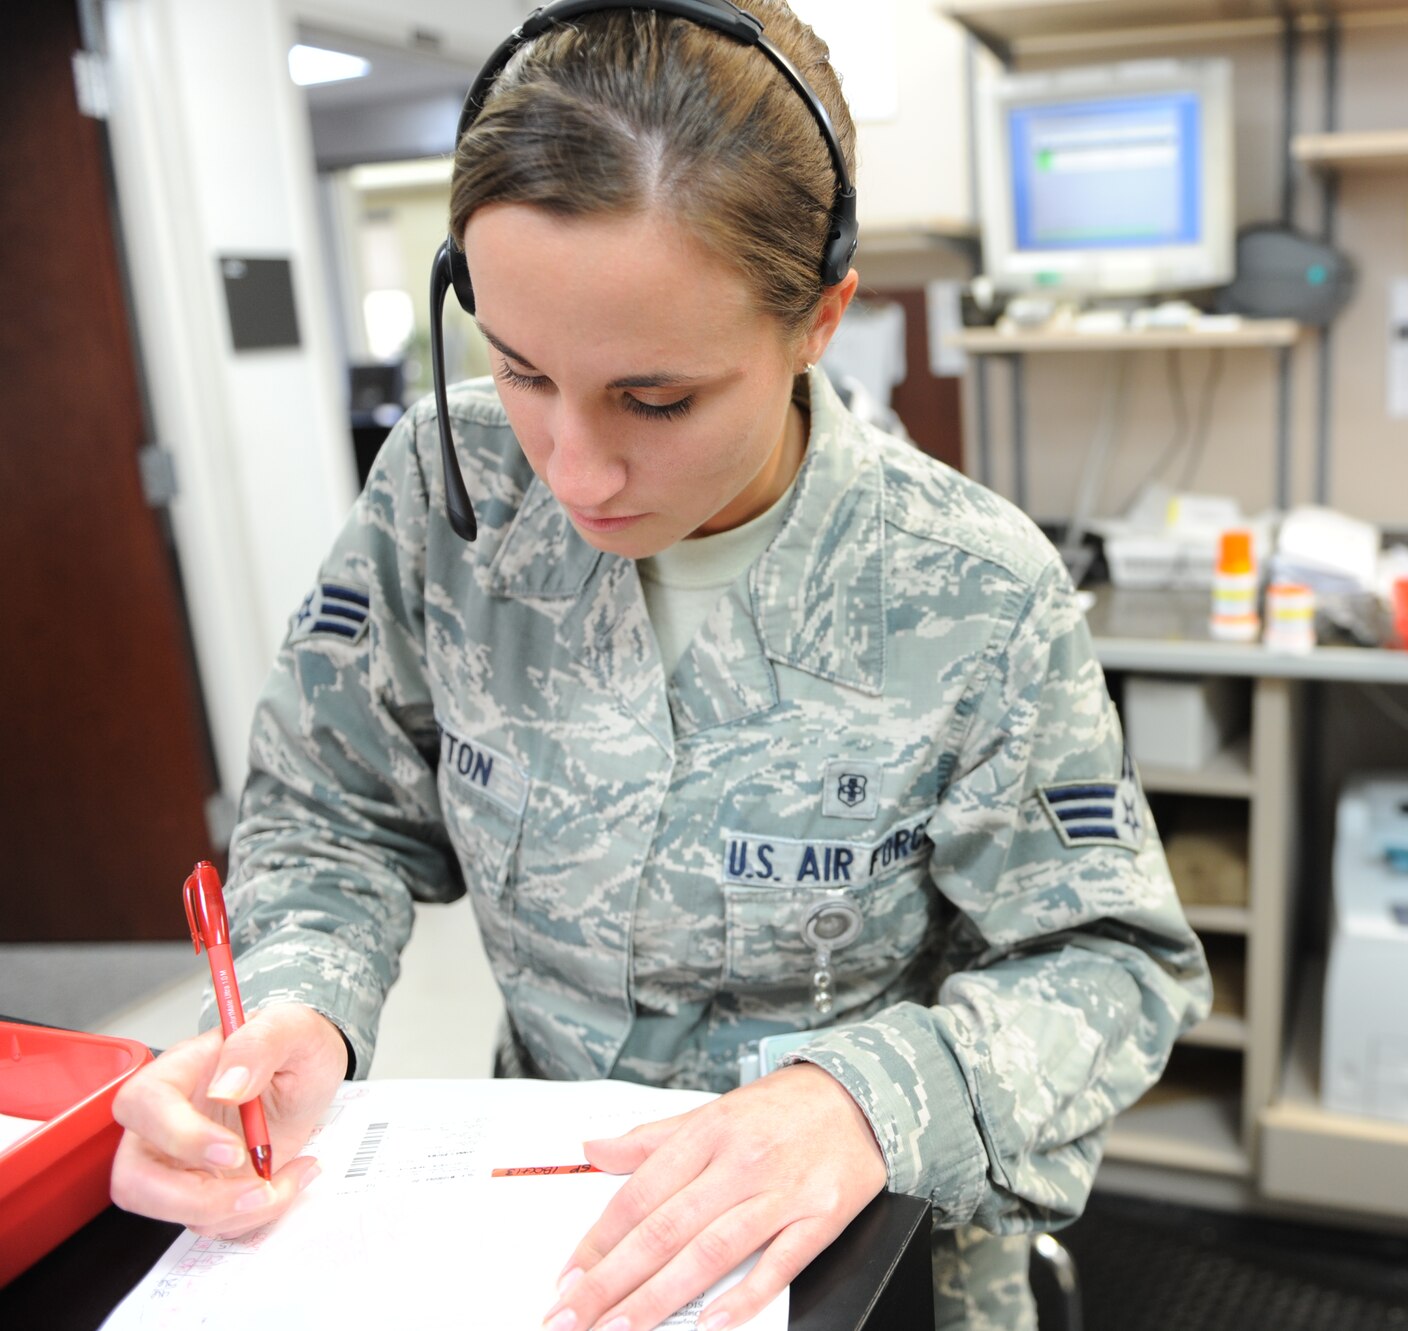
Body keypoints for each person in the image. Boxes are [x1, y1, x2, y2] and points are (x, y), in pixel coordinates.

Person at [108, 5, 1210, 1330]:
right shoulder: (442, 498)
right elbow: (335, 815)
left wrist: (865, 1098)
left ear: (820, 318)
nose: (573, 470)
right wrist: (296, 1008)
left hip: (863, 1255)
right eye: (521, 371)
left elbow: (1109, 966)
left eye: (657, 399)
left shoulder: (972, 592)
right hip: (540, 1233)